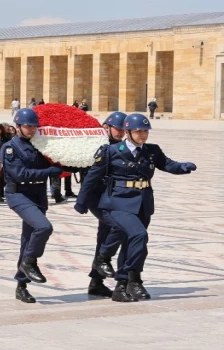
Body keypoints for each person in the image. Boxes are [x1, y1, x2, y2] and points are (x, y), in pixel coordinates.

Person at [75, 113, 196, 302]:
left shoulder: (152, 151)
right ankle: (109, 265)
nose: (143, 135)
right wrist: (81, 201)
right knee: (139, 234)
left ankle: (128, 283)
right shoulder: (111, 151)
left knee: (137, 244)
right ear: (129, 132)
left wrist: (183, 167)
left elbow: (168, 165)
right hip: (118, 202)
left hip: (143, 203)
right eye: (138, 131)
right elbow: (92, 177)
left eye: (145, 131)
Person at [0, 108, 63, 303]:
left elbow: (56, 160)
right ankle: (30, 262)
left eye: (34, 126)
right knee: (44, 226)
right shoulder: (10, 148)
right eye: (28, 126)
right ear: (17, 126)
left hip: (38, 195)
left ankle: (21, 285)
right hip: (19, 194)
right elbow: (21, 174)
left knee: (28, 240)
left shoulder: (40, 146)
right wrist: (52, 171)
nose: (32, 129)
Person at [76, 112, 128, 299]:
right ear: (107, 127)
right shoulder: (100, 146)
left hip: (113, 198)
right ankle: (101, 261)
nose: (121, 132)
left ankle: (96, 283)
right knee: (118, 227)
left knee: (104, 237)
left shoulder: (123, 147)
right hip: (97, 198)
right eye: (118, 129)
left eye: (124, 129)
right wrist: (81, 201)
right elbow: (91, 177)